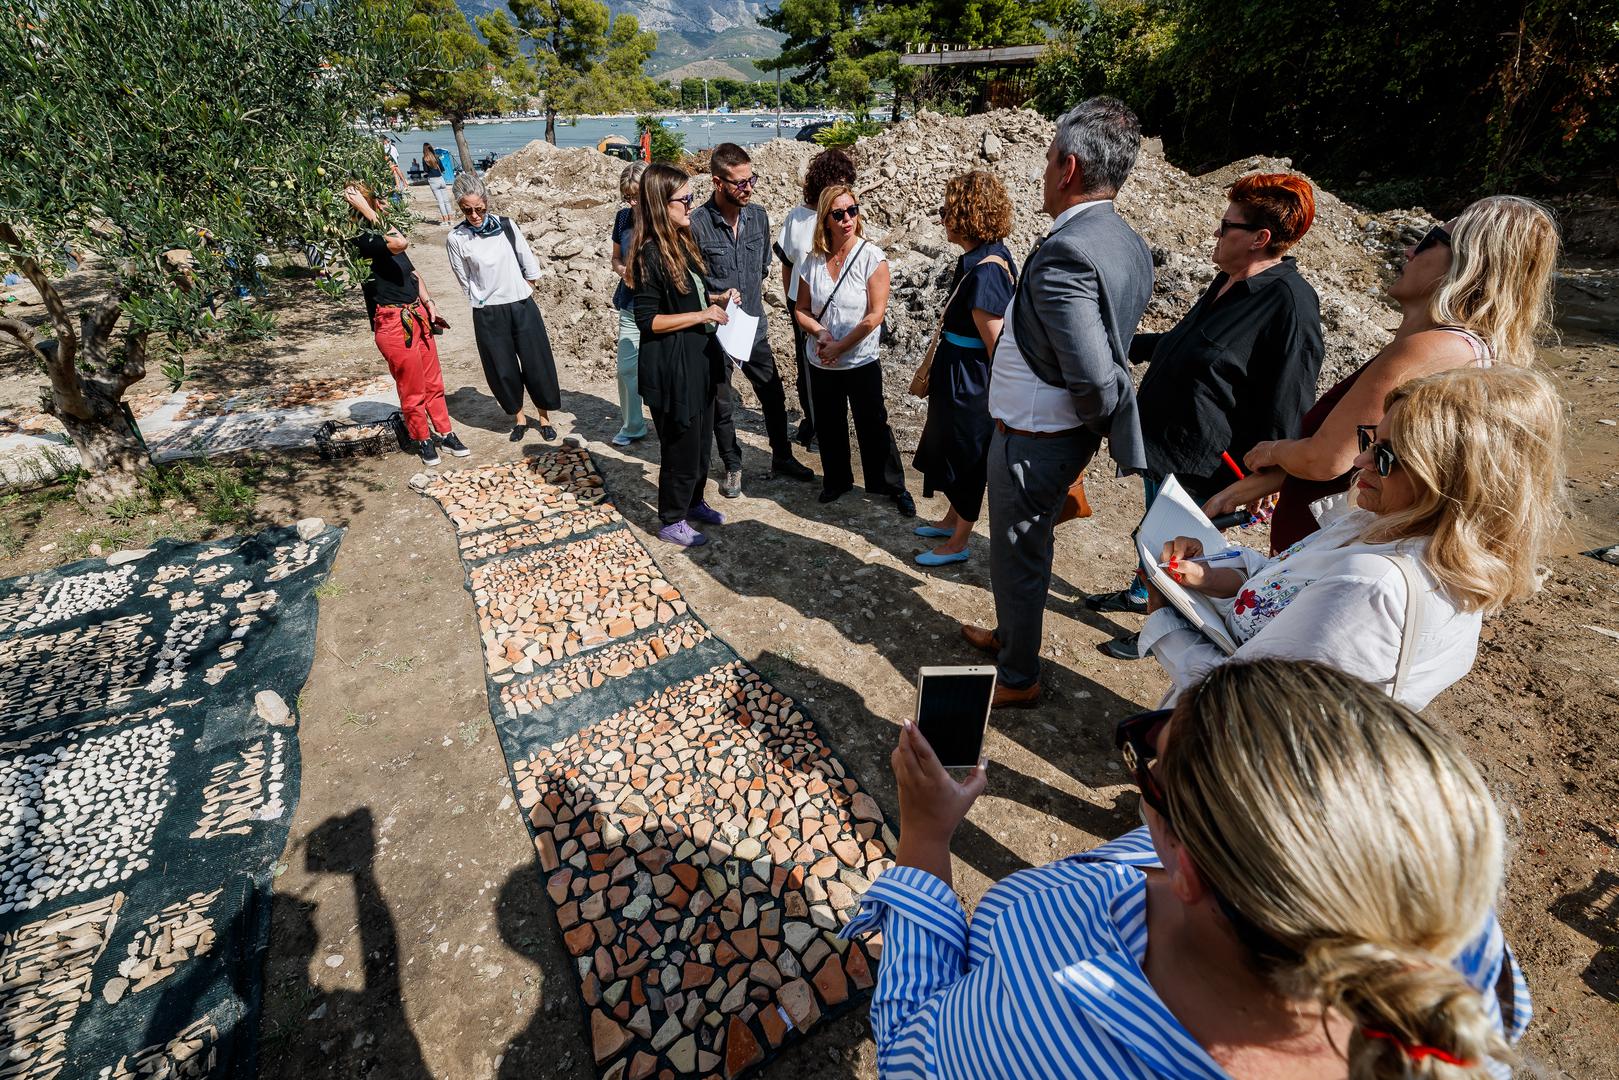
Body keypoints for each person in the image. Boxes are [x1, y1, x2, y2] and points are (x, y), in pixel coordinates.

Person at [844, 658, 1532, 1079]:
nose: (1140, 752)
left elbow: (909, 1050)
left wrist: (926, 839)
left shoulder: (1035, 1025)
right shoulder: (1451, 935)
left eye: (1145, 760)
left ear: (1189, 869)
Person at [1144, 366, 1565, 710]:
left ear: (1449, 480)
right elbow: (1286, 584)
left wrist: (1163, 616)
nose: (1360, 459)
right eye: (1371, 440)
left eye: (1385, 455)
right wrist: (1211, 574)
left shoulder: (1373, 587)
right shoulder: (1383, 522)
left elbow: (1240, 700)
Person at [1204, 195, 1561, 553]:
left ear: (1470, 263)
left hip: (1332, 555)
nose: (1409, 251)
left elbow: (1327, 459)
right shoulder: (1464, 349)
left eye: (1428, 240)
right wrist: (1245, 489)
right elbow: (1356, 452)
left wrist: (1273, 450)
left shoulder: (1430, 349)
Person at [960, 97, 1153, 709]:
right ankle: (1012, 635)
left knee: (1019, 554)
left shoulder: (1066, 253)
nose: (1041, 173)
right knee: (1021, 550)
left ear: (1068, 167)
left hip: (1036, 438)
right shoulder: (1124, 238)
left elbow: (1094, 377)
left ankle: (1019, 675)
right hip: (1047, 435)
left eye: (1047, 162)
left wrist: (1079, 432)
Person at [1087, 174, 1325, 659]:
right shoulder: (1229, 281)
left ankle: (1161, 629)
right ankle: (1141, 597)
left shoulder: (1289, 306)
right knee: (1153, 533)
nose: (1214, 235)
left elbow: (1288, 403)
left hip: (1208, 462)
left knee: (1175, 550)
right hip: (1167, 444)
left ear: (1260, 238)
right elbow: (1186, 345)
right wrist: (1117, 344)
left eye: (1225, 227)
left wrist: (1269, 479)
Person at [691, 143, 813, 498]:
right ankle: (732, 465)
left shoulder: (758, 216)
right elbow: (691, 284)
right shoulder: (697, 225)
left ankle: (782, 457)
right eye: (740, 183)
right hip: (717, 332)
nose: (748, 188)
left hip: (753, 327)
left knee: (773, 395)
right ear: (718, 182)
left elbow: (761, 267)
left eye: (751, 180)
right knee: (722, 403)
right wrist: (717, 298)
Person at [911, 170, 1017, 567]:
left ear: (966, 216)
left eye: (947, 210)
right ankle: (952, 518)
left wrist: (1001, 401)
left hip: (972, 383)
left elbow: (998, 347)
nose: (942, 218)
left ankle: (959, 542)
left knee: (969, 457)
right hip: (957, 374)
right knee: (950, 447)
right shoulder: (984, 258)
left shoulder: (987, 270)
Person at [792, 184, 914, 517]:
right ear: (825, 219)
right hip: (822, 361)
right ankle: (837, 480)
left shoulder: (871, 257)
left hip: (860, 360)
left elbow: (875, 315)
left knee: (873, 423)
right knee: (830, 425)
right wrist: (819, 331)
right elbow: (801, 309)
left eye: (852, 210)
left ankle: (890, 485)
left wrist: (840, 347)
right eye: (839, 213)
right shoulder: (813, 260)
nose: (848, 219)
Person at [631, 164, 734, 548]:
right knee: (680, 447)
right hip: (672, 368)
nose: (692, 205)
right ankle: (671, 518)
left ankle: (694, 502)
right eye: (684, 199)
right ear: (662, 204)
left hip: (699, 360)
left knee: (701, 442)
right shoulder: (649, 255)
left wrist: (716, 300)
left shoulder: (681, 240)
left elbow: (687, 294)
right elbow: (648, 321)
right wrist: (702, 315)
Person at [342, 181, 469, 467]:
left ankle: (445, 432)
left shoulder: (382, 232)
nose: (387, 205)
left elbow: (412, 272)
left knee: (433, 381)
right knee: (412, 387)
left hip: (417, 315)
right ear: (368, 205)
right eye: (380, 201)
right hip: (392, 321)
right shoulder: (364, 238)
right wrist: (368, 210)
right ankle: (422, 438)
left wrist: (429, 302)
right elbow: (399, 242)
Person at [445, 175, 561, 442]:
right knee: (502, 367)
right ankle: (520, 419)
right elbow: (463, 278)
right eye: (467, 210)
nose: (474, 215)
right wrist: (481, 299)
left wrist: (524, 287)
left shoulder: (507, 226)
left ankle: (544, 418)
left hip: (521, 304)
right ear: (460, 208)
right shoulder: (457, 238)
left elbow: (527, 260)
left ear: (487, 202)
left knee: (536, 362)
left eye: (479, 209)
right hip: (488, 311)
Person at [776, 148, 857, 450]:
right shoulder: (798, 218)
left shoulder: (842, 215)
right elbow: (786, 263)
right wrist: (792, 302)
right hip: (806, 305)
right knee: (809, 367)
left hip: (837, 303)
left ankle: (826, 424)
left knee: (835, 363)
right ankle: (817, 425)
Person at [609, 161, 650, 447]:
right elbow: (615, 258)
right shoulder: (623, 219)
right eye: (627, 197)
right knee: (626, 368)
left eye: (636, 195)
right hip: (631, 304)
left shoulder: (664, 219)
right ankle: (633, 425)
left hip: (662, 307)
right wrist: (623, 271)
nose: (632, 202)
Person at [421, 141, 453, 226]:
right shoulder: (436, 157)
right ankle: (451, 220)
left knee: (441, 202)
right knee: (446, 201)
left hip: (433, 180)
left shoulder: (425, 159)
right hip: (441, 179)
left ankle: (445, 221)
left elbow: (426, 171)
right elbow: (443, 169)